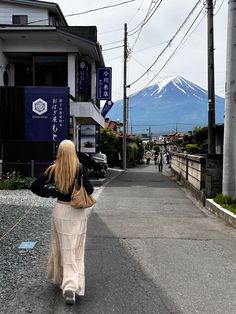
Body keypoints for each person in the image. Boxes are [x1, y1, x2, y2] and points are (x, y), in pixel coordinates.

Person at [30, 140, 94, 306]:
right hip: (76, 212)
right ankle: (71, 287)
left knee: (60, 246)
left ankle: (61, 278)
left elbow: (35, 186)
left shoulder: (54, 168)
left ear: (60, 152)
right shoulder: (79, 168)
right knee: (75, 248)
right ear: (73, 151)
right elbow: (90, 190)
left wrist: (52, 193)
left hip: (59, 211)